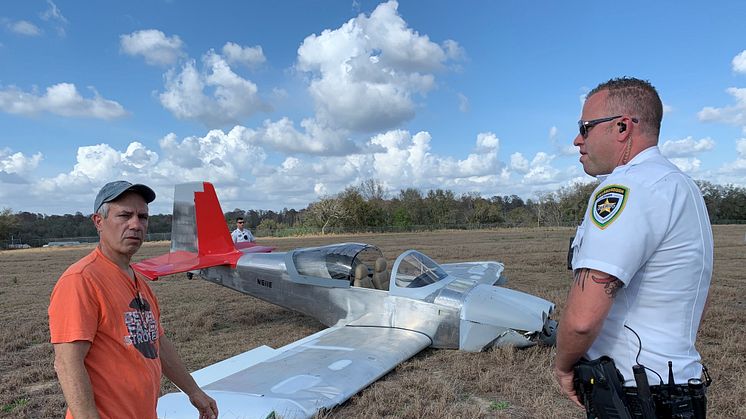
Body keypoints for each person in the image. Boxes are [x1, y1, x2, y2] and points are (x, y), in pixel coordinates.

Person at [553, 78, 713, 417]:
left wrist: (563, 366)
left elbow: (583, 319)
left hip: (635, 395)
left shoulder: (627, 186)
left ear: (623, 126)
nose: (577, 140)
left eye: (585, 127)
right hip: (678, 387)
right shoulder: (681, 185)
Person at [48, 181, 218, 419]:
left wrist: (193, 391)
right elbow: (67, 364)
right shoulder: (81, 280)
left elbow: (156, 341)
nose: (136, 225)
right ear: (98, 221)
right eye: (125, 215)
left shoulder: (138, 281)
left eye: (143, 217)